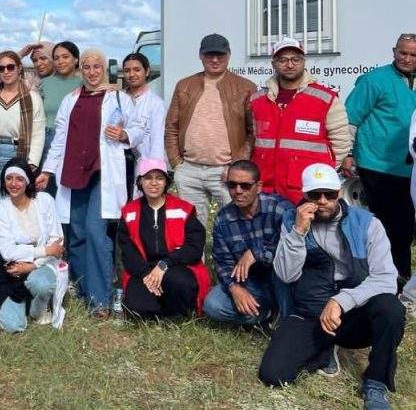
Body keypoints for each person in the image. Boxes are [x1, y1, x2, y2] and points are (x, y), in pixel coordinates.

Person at [258, 163, 405, 410]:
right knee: (273, 374)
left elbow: (386, 278)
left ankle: (376, 382)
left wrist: (341, 300)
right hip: (310, 311)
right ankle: (325, 349)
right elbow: (286, 275)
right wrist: (298, 232)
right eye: (315, 195)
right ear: (305, 196)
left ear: (339, 192)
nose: (323, 201)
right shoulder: (291, 220)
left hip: (355, 311)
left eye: (330, 194)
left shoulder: (367, 223)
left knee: (391, 309)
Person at [37, 49, 144, 315]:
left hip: (102, 174)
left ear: (104, 69)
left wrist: (124, 134)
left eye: (97, 66)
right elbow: (60, 138)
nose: (92, 71)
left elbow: (140, 129)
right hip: (73, 172)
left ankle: (100, 300)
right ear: (81, 70)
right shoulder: (70, 99)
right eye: (87, 67)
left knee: (96, 232)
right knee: (76, 234)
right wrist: (47, 170)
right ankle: (82, 290)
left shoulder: (118, 98)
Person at [0, 51, 46, 311]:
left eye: (11, 66)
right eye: (1, 67)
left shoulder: (32, 97)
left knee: (16, 216)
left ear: (19, 69)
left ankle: (19, 277)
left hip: (17, 154)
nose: (6, 71)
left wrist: (31, 166)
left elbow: (38, 133)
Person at [345, 33, 416, 286]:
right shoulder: (375, 80)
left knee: (406, 227)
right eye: (402, 52)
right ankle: (381, 279)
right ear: (394, 51)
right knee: (383, 225)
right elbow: (350, 118)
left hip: (410, 169)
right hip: (377, 165)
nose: (407, 58)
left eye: (413, 54)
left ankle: (401, 275)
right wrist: (347, 154)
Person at [165, 33, 255, 227]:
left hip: (226, 170)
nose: (215, 59)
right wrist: (177, 164)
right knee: (193, 229)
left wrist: (237, 166)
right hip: (189, 169)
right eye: (209, 54)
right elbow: (171, 126)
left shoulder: (246, 87)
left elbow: (252, 132)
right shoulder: (184, 85)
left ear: (229, 55)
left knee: (235, 225)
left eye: (220, 55)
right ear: (200, 55)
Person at [251, 37, 351, 204]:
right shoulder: (258, 100)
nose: (290, 65)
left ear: (304, 62)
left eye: (295, 59)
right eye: (283, 60)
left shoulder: (326, 98)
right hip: (266, 189)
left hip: (306, 190)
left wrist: (323, 174)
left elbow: (341, 143)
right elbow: (255, 139)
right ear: (273, 64)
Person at [203, 159, 293, 326]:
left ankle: (285, 319)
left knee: (286, 272)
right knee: (212, 305)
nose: (238, 191)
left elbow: (292, 248)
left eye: (245, 186)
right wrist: (234, 288)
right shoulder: (223, 219)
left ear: (258, 186)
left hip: (281, 279)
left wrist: (256, 253)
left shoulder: (280, 208)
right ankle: (265, 314)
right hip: (250, 282)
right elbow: (223, 263)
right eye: (232, 185)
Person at [118, 158, 209, 319]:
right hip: (144, 269)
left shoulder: (183, 209)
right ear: (140, 181)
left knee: (178, 282)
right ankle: (160, 309)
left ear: (166, 182)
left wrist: (165, 264)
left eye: (159, 178)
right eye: (148, 178)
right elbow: (128, 251)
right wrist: (147, 275)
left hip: (176, 266)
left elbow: (194, 247)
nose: (154, 183)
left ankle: (179, 314)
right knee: (136, 308)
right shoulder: (129, 212)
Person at [0, 158, 67, 333]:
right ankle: (22, 300)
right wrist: (44, 250)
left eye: (19, 179)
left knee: (42, 284)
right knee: (12, 325)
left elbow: (57, 245)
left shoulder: (45, 200)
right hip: (13, 268)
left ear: (28, 181)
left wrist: (32, 265)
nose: (13, 184)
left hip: (43, 264)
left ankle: (37, 310)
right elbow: (8, 252)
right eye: (9, 178)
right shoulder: (0, 208)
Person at [37, 42, 83, 179]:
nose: (60, 61)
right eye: (56, 58)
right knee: (45, 184)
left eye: (65, 57)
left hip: (73, 140)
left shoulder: (84, 85)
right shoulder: (44, 84)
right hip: (47, 139)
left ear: (76, 59)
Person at [123, 52, 166, 168]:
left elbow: (157, 141)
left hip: (143, 165)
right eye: (127, 71)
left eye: (137, 70)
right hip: (119, 164)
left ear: (147, 71)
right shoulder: (116, 99)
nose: (132, 74)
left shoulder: (155, 103)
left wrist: (154, 169)